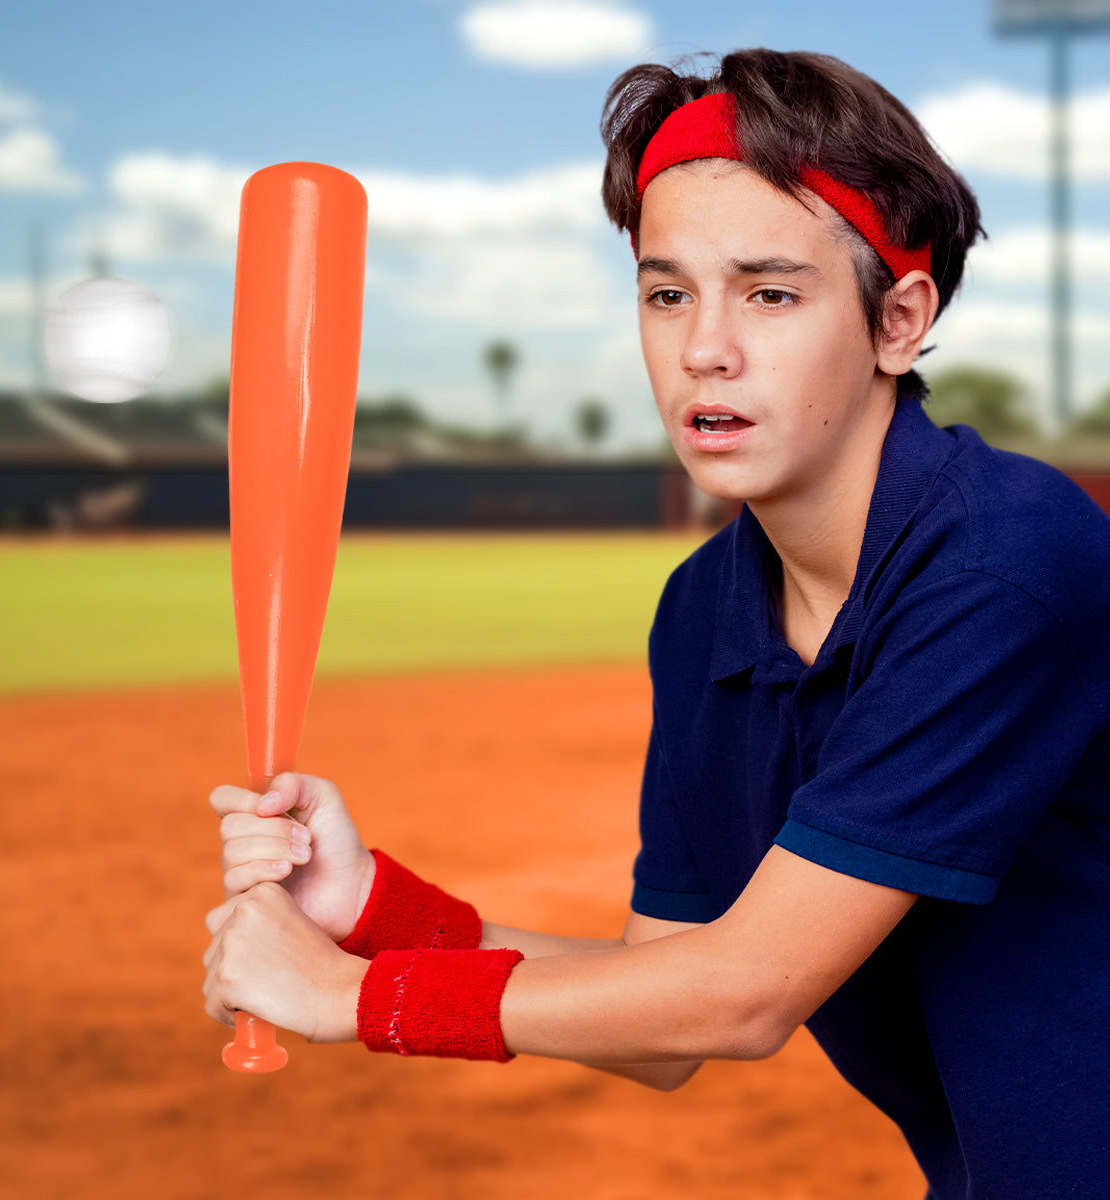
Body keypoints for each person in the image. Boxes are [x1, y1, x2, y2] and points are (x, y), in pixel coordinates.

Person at [202, 49, 1110, 1198]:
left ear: (899, 320)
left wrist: (346, 1000)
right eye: (666, 290)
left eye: (769, 292)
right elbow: (665, 1008)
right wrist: (373, 914)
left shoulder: (1001, 565)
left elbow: (745, 994)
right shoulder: (705, 613)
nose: (701, 349)